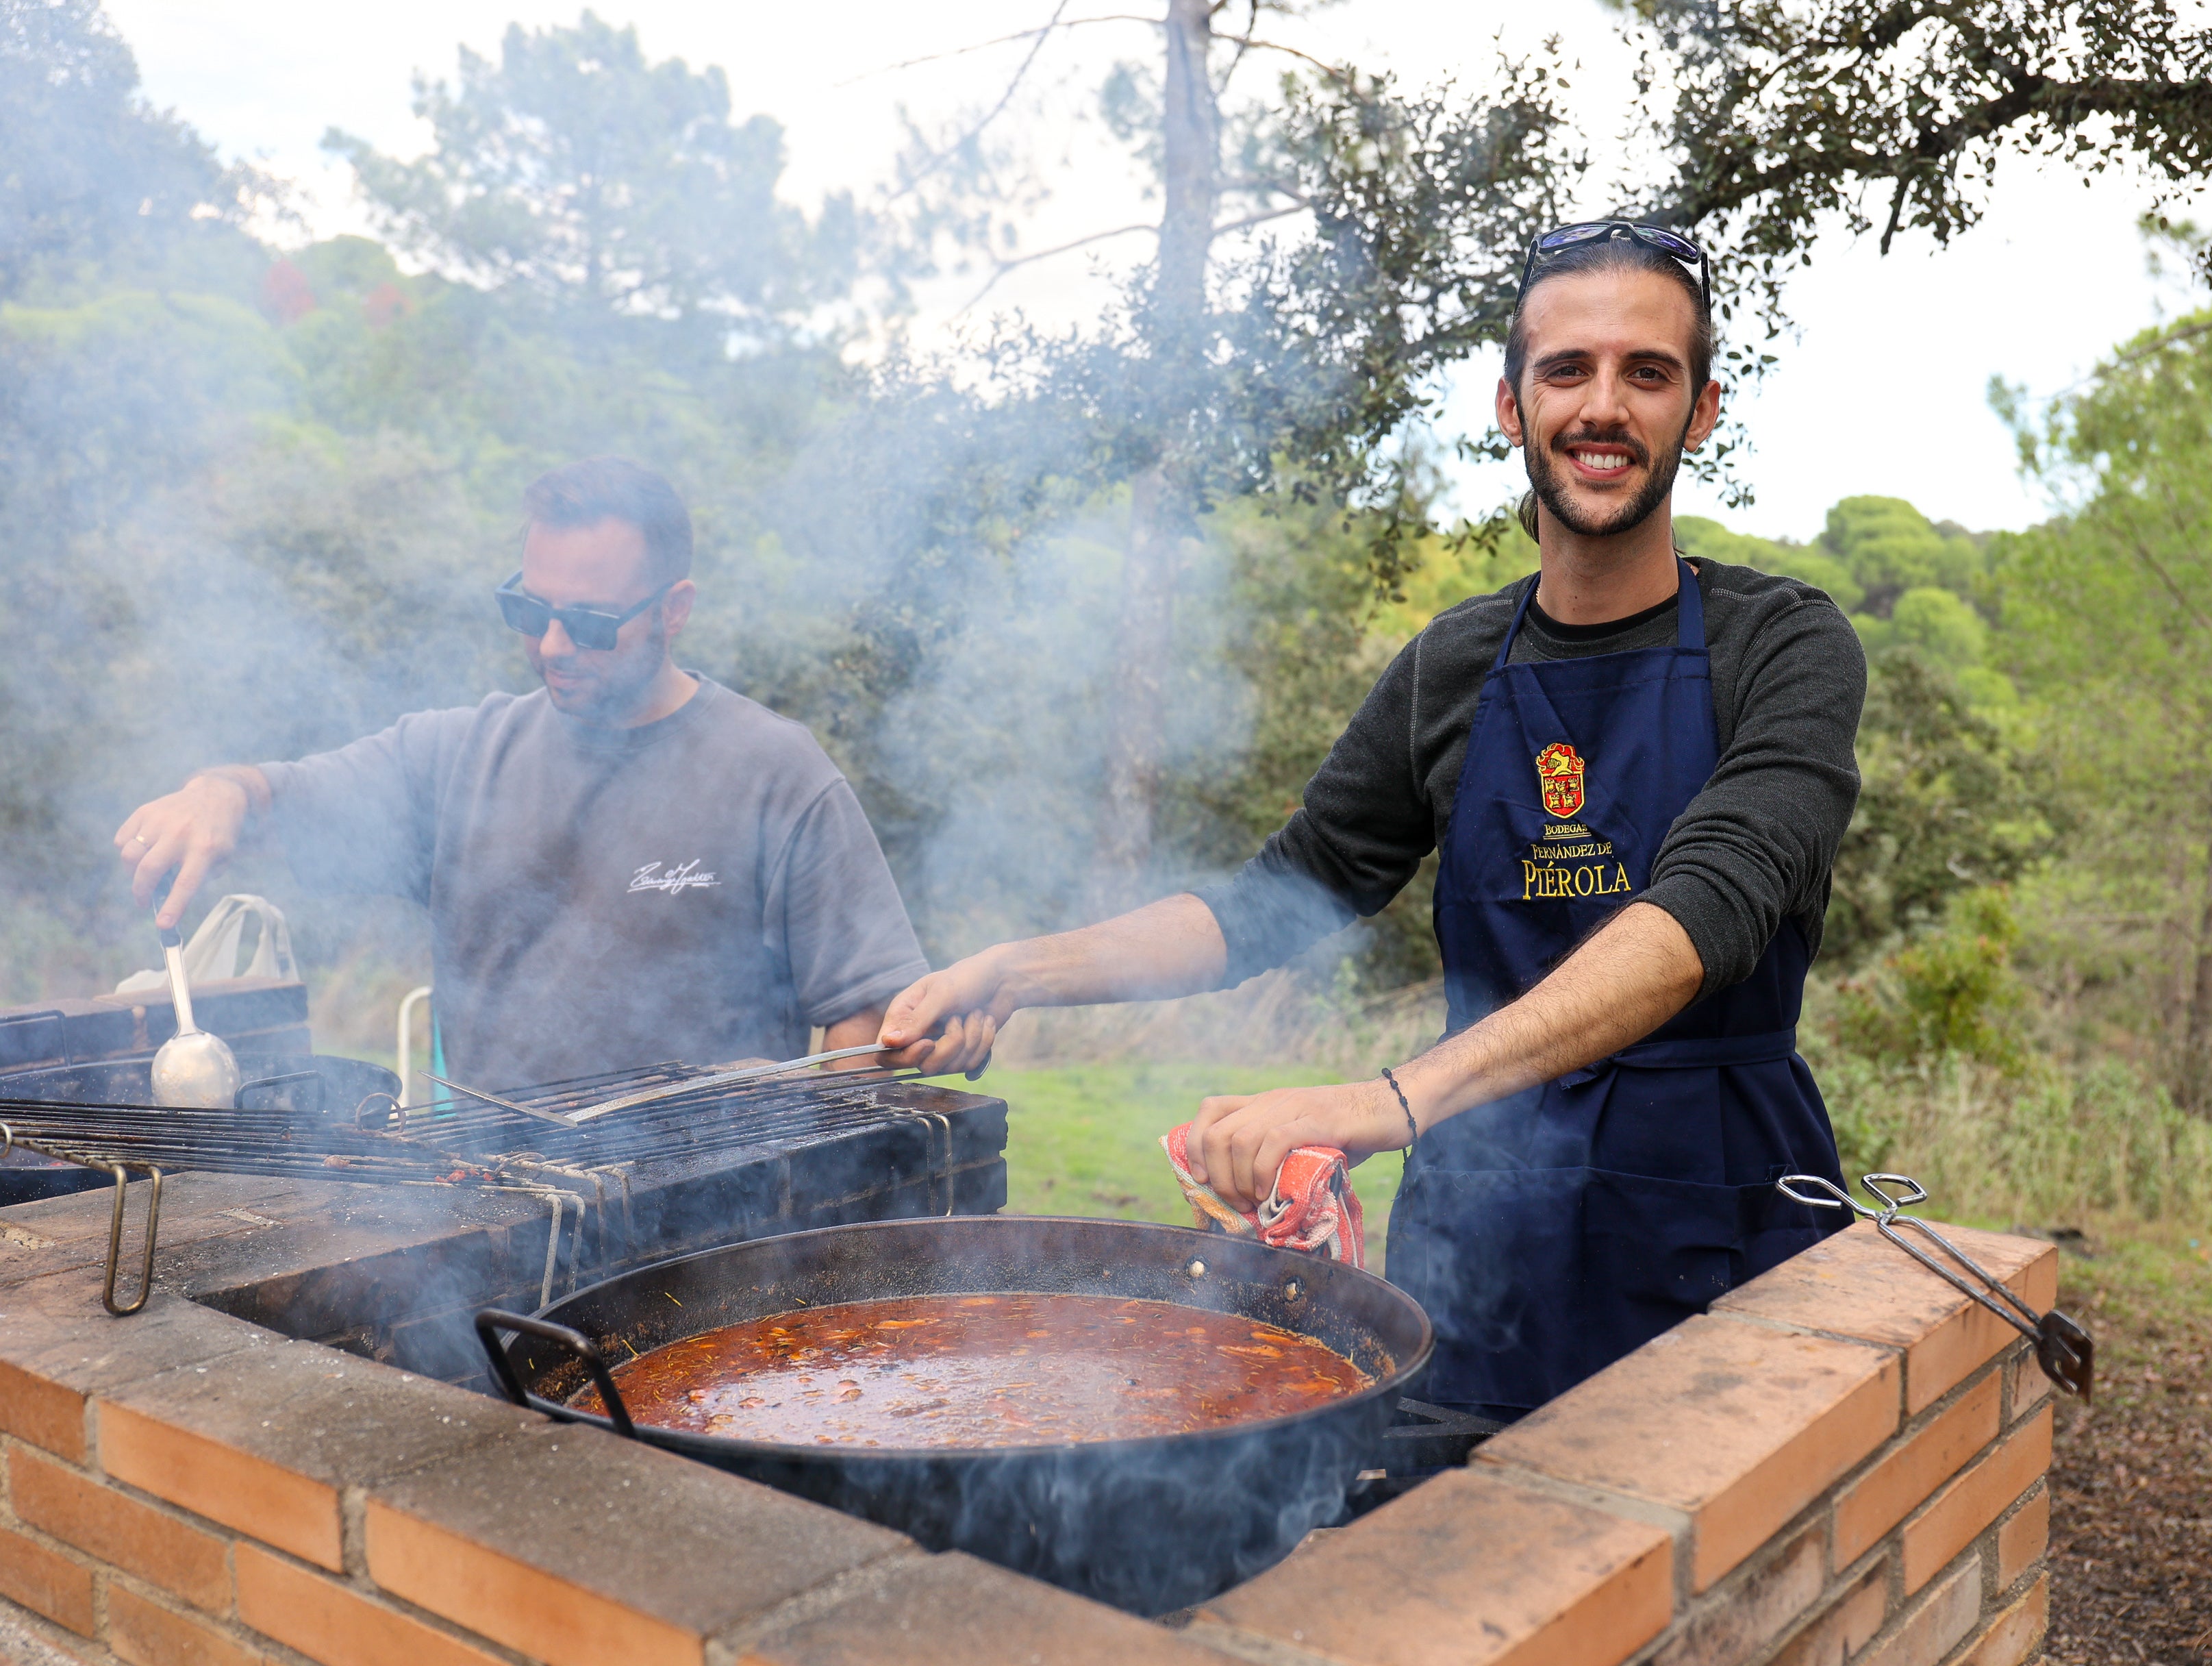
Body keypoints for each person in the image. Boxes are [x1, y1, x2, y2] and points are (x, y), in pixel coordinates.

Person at [879, 223, 1865, 1417]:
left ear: (1701, 411)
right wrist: (1017, 970)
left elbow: (1708, 905)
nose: (1601, 406)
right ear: (1510, 406)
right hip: (1482, 1240)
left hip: (1716, 1217)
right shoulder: (1450, 667)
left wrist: (1380, 1104)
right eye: (1566, 371)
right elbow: (1277, 895)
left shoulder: (1784, 645)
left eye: (1645, 373)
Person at [114, 457, 927, 1092]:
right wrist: (218, 792)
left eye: (589, 622)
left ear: (674, 610)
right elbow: (276, 795)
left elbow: (862, 1005)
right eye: (530, 611)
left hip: (708, 1229)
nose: (551, 647)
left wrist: (810, 1177)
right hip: (490, 1220)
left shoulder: (774, 772)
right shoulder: (456, 756)